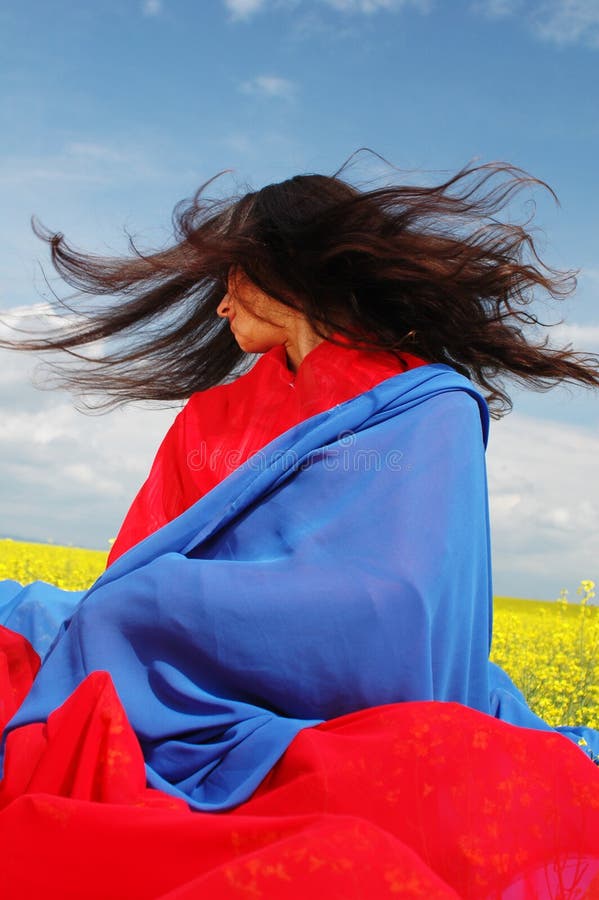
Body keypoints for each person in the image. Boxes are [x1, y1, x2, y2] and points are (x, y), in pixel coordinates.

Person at [1, 158, 599, 898]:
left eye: (233, 277)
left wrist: (153, 599)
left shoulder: (424, 405)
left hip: (358, 676)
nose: (220, 306)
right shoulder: (207, 418)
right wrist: (143, 600)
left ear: (285, 268)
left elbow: (400, 606)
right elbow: (133, 562)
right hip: (189, 670)